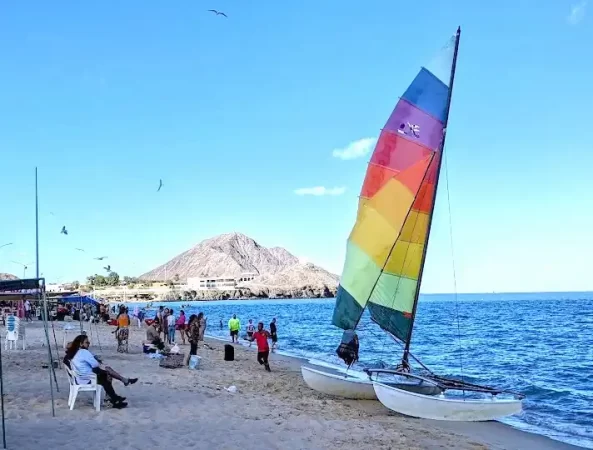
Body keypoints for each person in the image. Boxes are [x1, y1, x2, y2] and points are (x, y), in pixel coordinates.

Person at [65, 334, 138, 408]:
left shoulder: (76, 353)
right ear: (81, 344)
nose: (88, 344)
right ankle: (114, 399)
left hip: (81, 377)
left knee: (106, 373)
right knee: (107, 375)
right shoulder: (83, 352)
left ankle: (113, 398)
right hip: (87, 378)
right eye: (87, 343)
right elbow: (95, 364)